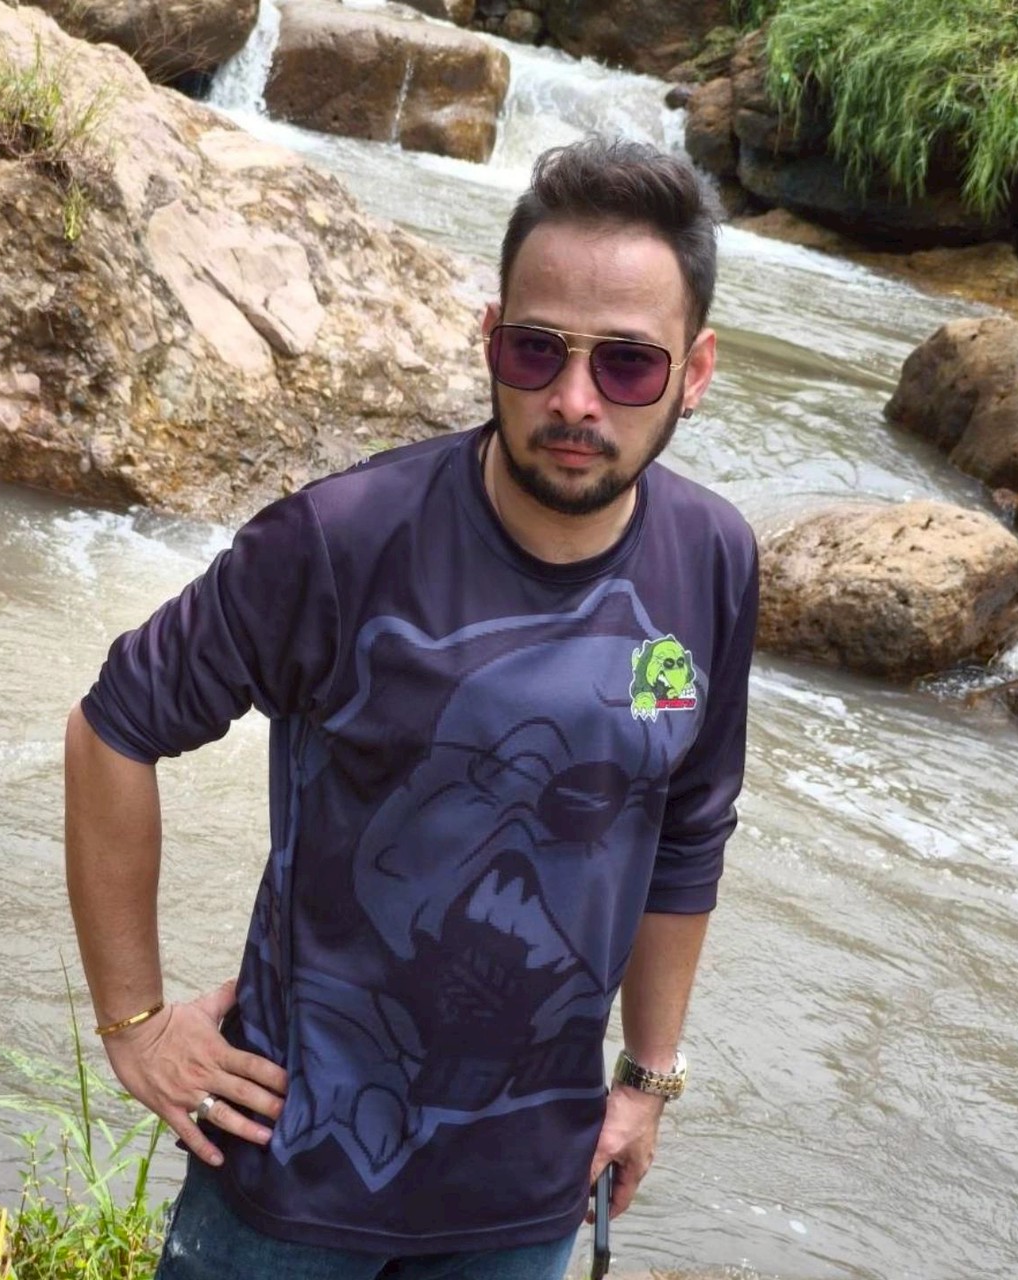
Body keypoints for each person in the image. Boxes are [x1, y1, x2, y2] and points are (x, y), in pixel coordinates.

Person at [65, 135, 759, 1280]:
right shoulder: (340, 541)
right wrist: (134, 1022)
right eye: (535, 349)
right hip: (287, 1177)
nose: (572, 399)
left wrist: (645, 1076)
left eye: (627, 365)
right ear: (488, 337)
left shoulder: (712, 561)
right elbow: (113, 726)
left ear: (693, 371)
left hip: (526, 1196)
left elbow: (685, 824)